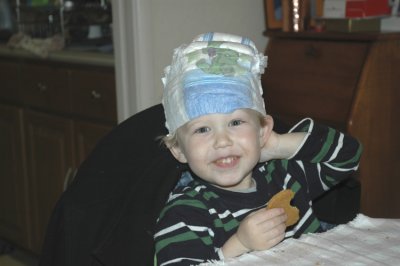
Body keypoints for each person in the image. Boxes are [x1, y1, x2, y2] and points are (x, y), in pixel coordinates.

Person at [154, 32, 362, 265]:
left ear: (262, 131)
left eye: (235, 123)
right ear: (178, 149)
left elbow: (348, 155)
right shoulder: (185, 213)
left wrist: (278, 145)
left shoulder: (286, 177)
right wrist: (239, 245)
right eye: (202, 129)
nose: (222, 141)